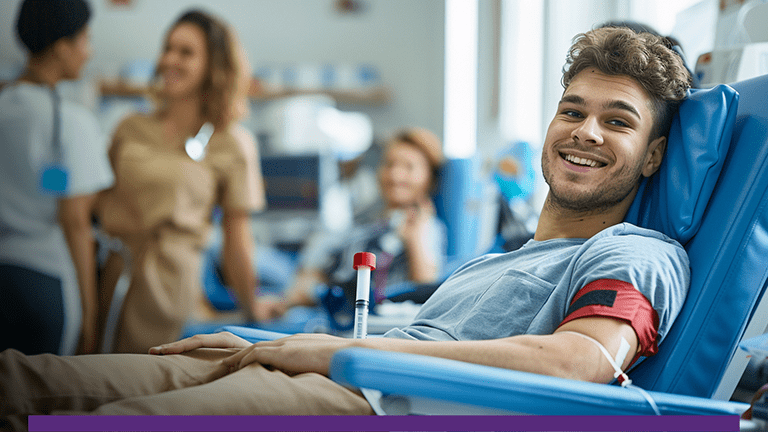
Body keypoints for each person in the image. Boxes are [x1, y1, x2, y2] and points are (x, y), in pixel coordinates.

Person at [0, 26, 692, 425]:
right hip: (336, 369)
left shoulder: (637, 250)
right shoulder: (500, 261)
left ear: (655, 153)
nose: (585, 131)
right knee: (30, 377)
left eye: (618, 120)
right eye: (573, 110)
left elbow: (578, 362)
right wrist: (266, 339)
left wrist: (330, 353)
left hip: (363, 398)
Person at [93, 9, 270, 354]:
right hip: (112, 276)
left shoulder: (232, 143)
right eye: (168, 48)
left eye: (186, 52)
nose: (170, 60)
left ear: (213, 65)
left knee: (147, 390)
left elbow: (237, 243)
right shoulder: (129, 128)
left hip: (171, 287)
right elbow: (94, 207)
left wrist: (253, 307)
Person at [0, 0, 113, 356]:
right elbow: (75, 221)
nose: (88, 52)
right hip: (45, 280)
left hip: (3, 272)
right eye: (85, 41)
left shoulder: (5, 108)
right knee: (43, 401)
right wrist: (91, 317)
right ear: (62, 47)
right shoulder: (70, 122)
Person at [262, 127, 447, 319]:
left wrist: (414, 238)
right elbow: (322, 269)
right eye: (390, 164)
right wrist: (291, 297)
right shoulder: (367, 223)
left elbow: (426, 288)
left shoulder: (426, 228)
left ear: (429, 178)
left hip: (369, 317)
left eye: (409, 167)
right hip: (318, 300)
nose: (395, 175)